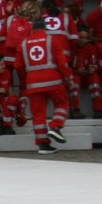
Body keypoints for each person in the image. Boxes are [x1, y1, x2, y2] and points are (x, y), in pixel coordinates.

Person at [20, 16, 75, 156]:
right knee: (62, 103)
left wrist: (25, 82)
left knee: (38, 114)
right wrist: (69, 79)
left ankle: (43, 145)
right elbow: (62, 63)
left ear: (32, 29)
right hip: (53, 80)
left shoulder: (24, 43)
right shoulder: (52, 40)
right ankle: (55, 126)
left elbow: (18, 66)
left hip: (32, 82)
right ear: (45, 28)